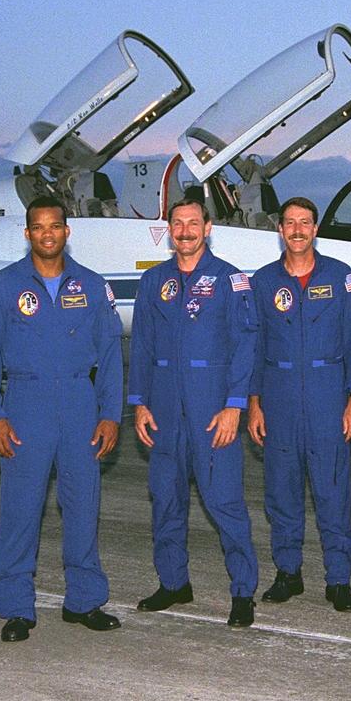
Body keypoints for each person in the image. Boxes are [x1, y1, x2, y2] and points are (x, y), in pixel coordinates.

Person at [0, 196, 123, 643]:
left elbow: (112, 357)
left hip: (80, 403)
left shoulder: (93, 287)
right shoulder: (1, 287)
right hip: (25, 403)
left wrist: (110, 415)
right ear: (27, 233)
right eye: (38, 227)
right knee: (20, 509)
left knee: (82, 505)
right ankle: (16, 606)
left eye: (54, 226)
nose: (47, 234)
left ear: (66, 230)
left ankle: (84, 600)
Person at [130, 198, 260, 627]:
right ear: (169, 230)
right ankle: (173, 583)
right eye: (177, 223)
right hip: (164, 408)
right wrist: (140, 403)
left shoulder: (230, 279)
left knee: (224, 503)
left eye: (192, 223)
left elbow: (246, 347)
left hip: (212, 409)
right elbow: (143, 344)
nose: (184, 230)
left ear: (208, 228)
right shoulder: (154, 281)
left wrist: (234, 406)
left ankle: (242, 592)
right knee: (166, 501)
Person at [247, 197, 351, 612]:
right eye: (290, 223)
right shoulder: (263, 282)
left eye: (305, 223)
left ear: (315, 229)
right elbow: (254, 346)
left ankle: (338, 580)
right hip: (278, 399)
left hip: (327, 396)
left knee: (333, 493)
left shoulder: (340, 277)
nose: (297, 230)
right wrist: (255, 403)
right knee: (281, 493)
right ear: (280, 230)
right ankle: (288, 573)